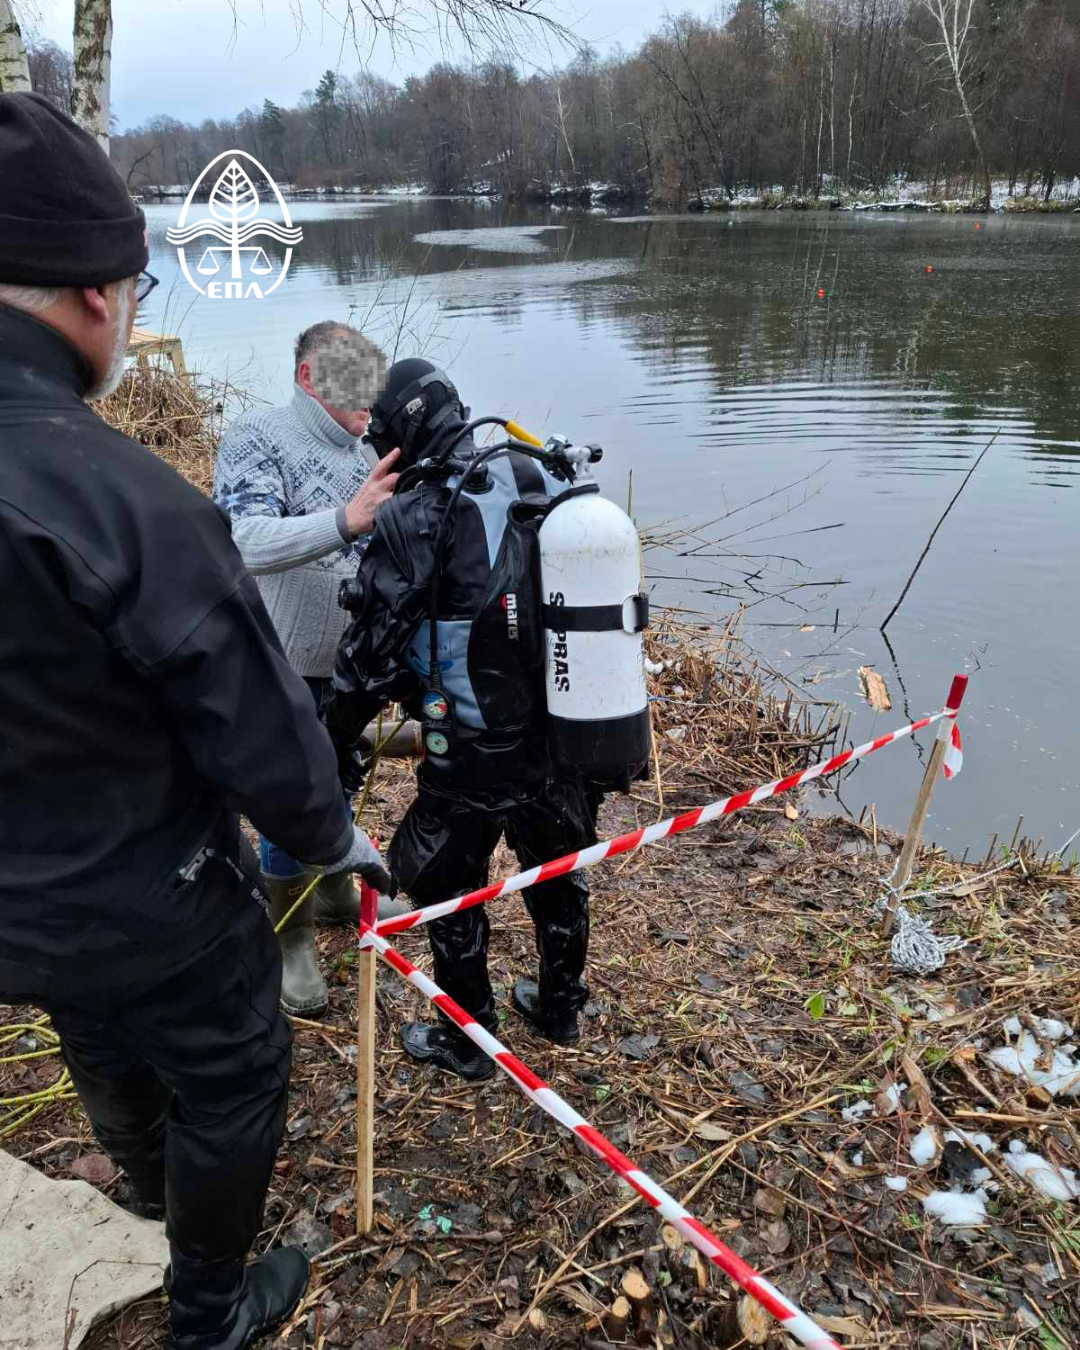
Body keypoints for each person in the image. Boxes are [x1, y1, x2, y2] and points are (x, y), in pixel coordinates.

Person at [0, 93, 391, 1350]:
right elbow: (259, 730)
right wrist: (330, 836)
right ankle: (210, 1308)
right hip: (145, 894)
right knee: (236, 1070)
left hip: (18, 908)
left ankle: (147, 1187)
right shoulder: (126, 501)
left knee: (88, 1017)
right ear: (97, 295)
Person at [323, 359, 607, 1082]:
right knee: (556, 868)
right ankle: (561, 1006)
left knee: (445, 884)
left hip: (470, 752)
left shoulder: (416, 515)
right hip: (563, 736)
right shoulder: (537, 472)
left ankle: (469, 1040)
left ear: (398, 437)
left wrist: (333, 741)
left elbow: (368, 657)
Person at [214, 322, 406, 1016]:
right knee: (287, 799)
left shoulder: (373, 450)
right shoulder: (257, 437)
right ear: (308, 377)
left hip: (350, 665)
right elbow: (244, 540)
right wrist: (346, 520)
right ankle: (290, 935)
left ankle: (333, 889)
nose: (368, 395)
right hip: (279, 662)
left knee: (341, 773)